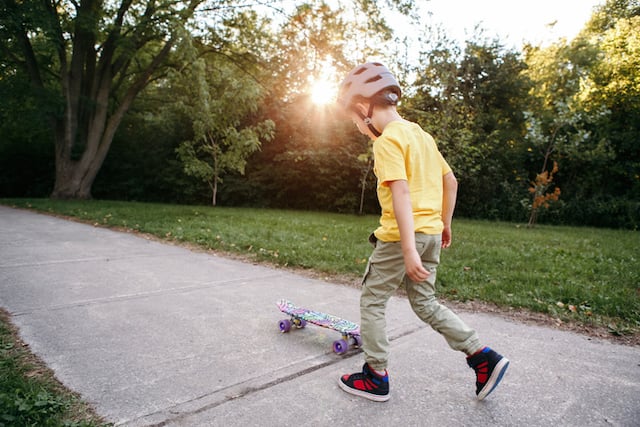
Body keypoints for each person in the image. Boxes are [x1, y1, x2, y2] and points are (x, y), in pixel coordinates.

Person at [336, 62, 509, 402]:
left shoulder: (387, 142)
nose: (357, 127)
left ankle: (375, 375)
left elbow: (400, 192)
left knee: (373, 299)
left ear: (363, 107)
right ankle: (482, 356)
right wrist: (445, 222)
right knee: (426, 303)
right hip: (430, 233)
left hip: (403, 236)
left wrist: (408, 249)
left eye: (354, 120)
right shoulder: (421, 135)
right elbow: (450, 181)